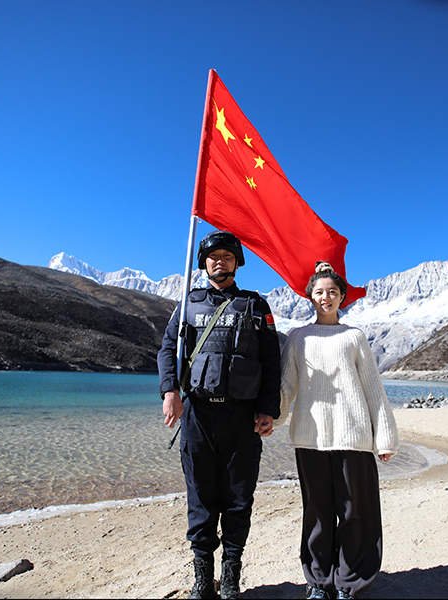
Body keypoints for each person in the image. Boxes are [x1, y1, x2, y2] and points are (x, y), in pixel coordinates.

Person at [158, 230, 281, 599]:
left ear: (237, 262)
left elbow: (271, 363)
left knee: (238, 499)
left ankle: (230, 579)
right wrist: (170, 391)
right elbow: (168, 349)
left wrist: (268, 409)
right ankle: (202, 579)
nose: (220, 261)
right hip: (197, 417)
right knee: (200, 498)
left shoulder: (256, 306)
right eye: (213, 256)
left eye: (227, 256)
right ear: (203, 263)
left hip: (243, 419)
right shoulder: (187, 305)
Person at [274, 261, 399, 600]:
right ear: (310, 297)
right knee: (317, 512)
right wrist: (272, 417)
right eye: (319, 292)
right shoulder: (298, 337)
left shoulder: (354, 337)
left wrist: (384, 437)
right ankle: (317, 582)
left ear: (342, 297)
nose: (325, 297)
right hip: (309, 439)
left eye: (332, 291)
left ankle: (348, 583)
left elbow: (372, 388)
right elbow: (287, 385)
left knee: (355, 512)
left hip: (353, 439)